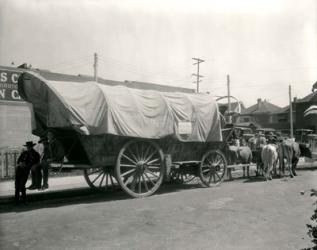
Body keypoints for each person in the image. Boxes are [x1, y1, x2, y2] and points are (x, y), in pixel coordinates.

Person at [15, 141, 40, 205]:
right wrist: (20, 163)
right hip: (19, 170)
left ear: (32, 147)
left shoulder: (36, 154)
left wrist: (26, 165)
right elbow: (18, 161)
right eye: (27, 147)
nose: (28, 148)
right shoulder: (24, 153)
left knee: (22, 185)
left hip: (25, 171)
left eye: (29, 147)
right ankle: (17, 201)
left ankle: (24, 200)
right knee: (17, 186)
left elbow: (35, 163)